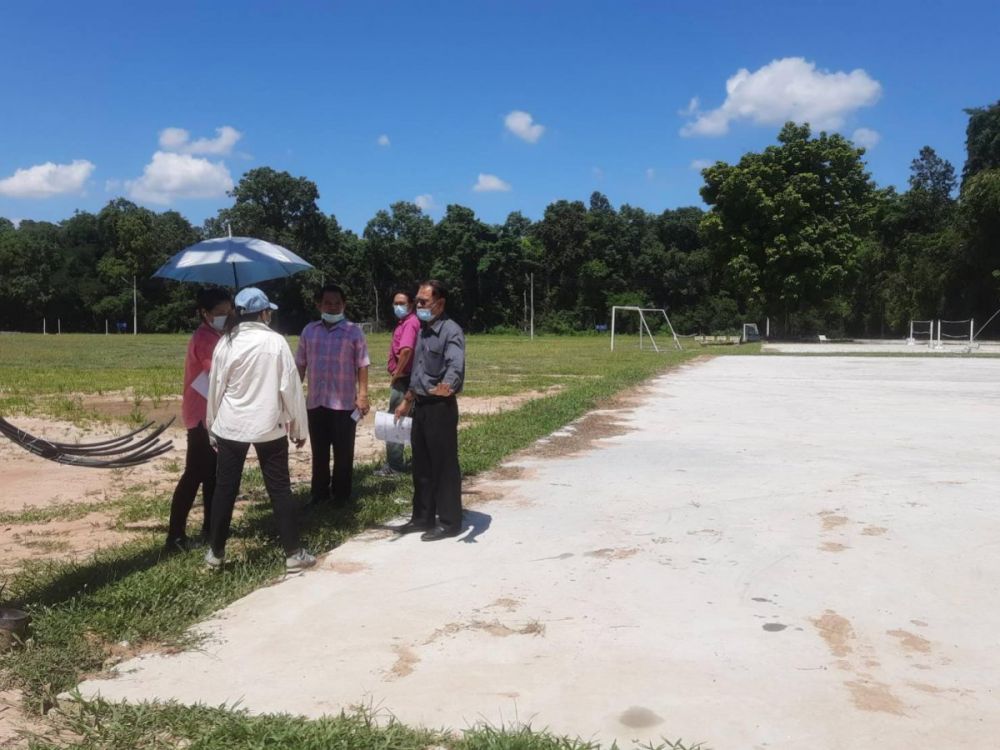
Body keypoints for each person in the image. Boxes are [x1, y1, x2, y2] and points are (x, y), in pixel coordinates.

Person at [205, 287, 316, 572]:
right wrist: (299, 427)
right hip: (269, 425)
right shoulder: (276, 342)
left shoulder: (226, 342)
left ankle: (215, 554)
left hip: (231, 425)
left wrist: (211, 426)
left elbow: (216, 386)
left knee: (225, 490)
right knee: (279, 488)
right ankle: (293, 552)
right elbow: (290, 388)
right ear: (265, 313)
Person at [393, 280, 466, 541]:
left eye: (423, 302)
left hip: (440, 407)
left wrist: (449, 385)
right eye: (418, 301)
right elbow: (419, 372)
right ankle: (422, 517)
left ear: (440, 303)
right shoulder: (423, 331)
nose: (418, 306)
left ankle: (449, 522)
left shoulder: (451, 331)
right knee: (421, 465)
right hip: (421, 406)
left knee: (444, 466)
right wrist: (407, 400)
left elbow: (455, 364)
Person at [165, 287, 232, 553]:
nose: (225, 317)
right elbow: (216, 373)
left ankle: (210, 526)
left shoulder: (221, 334)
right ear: (204, 313)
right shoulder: (205, 337)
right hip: (201, 415)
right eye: (219, 313)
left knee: (212, 474)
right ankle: (175, 535)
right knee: (195, 473)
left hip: (216, 414)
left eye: (229, 312)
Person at [295, 284, 370, 506]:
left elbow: (362, 364)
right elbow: (300, 363)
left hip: (344, 403)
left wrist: (363, 394)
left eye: (338, 303)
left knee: (343, 453)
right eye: (328, 303)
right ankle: (319, 494)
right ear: (319, 305)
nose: (333, 307)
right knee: (319, 452)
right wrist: (293, 394)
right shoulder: (309, 330)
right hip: (316, 402)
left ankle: (341, 496)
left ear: (344, 305)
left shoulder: (353, 331)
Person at [375, 288, 419, 476]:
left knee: (395, 419)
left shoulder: (410, 323)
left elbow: (406, 350)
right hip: (410, 377)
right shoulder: (407, 322)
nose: (398, 306)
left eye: (402, 303)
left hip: (404, 379)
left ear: (410, 304)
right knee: (413, 419)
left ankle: (394, 466)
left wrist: (397, 374)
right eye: (396, 303)